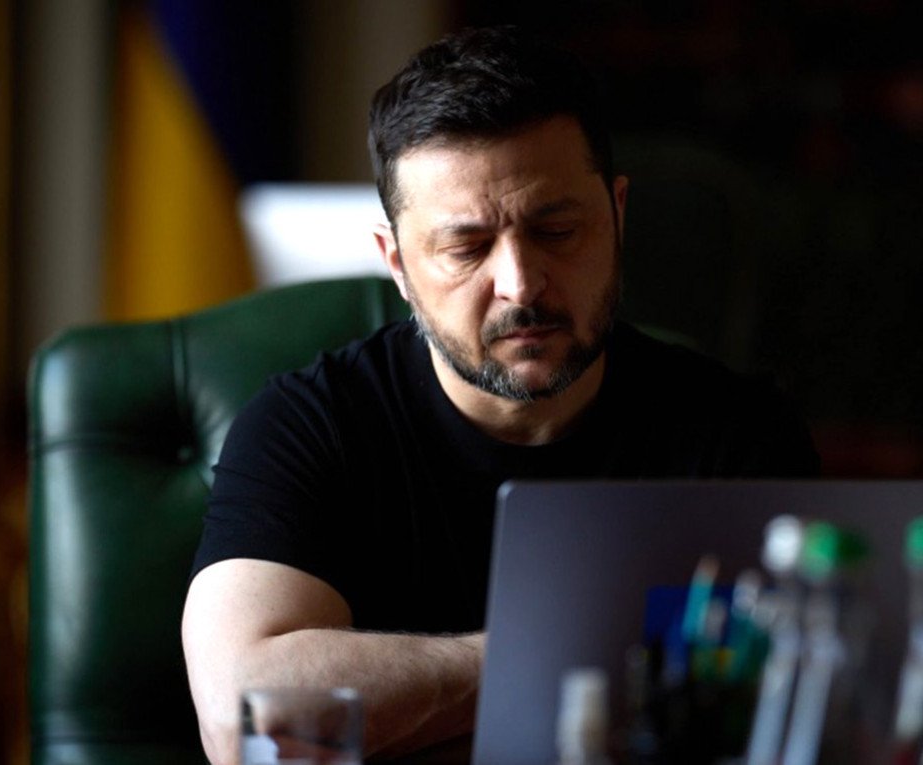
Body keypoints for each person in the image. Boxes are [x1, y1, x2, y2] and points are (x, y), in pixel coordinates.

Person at [181, 25, 819, 765]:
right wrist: (585, 660)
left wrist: (406, 712)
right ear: (396, 263)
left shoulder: (738, 431)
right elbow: (244, 717)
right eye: (466, 248)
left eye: (557, 230)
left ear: (617, 216)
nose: (521, 283)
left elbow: (803, 704)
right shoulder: (308, 427)